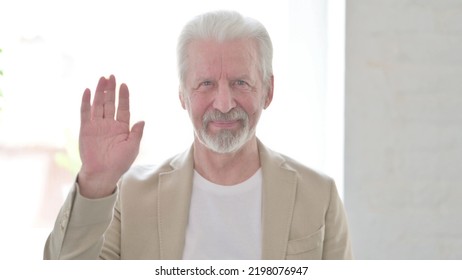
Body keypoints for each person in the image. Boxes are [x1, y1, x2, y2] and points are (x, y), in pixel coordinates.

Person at [44, 10, 352, 260]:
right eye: (205, 83)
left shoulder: (319, 195)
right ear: (182, 95)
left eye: (241, 83)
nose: (224, 104)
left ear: (268, 91)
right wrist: (95, 183)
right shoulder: (130, 196)